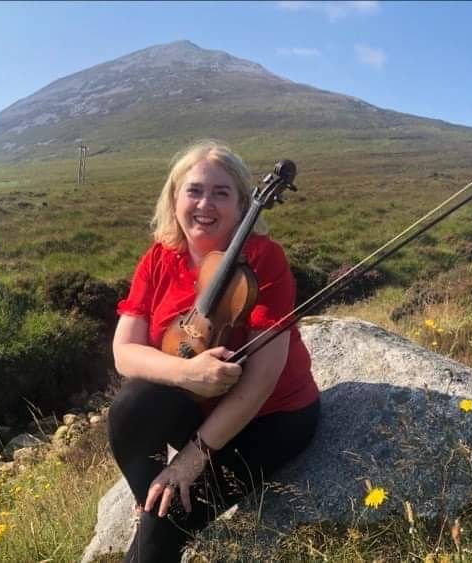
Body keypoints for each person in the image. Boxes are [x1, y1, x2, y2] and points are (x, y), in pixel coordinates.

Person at [108, 140, 320, 562]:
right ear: (174, 198)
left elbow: (262, 378)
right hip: (198, 404)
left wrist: (193, 458)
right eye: (194, 191)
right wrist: (187, 374)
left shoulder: (263, 259)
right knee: (131, 405)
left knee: (165, 523)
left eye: (221, 193)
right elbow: (124, 352)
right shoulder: (158, 258)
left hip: (267, 419)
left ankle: (159, 525)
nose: (205, 204)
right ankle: (151, 508)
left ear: (241, 205)